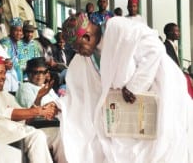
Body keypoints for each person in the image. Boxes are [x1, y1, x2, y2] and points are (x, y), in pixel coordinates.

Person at [61, 12, 193, 163]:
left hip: (162, 96)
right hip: (127, 116)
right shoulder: (87, 56)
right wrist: (61, 105)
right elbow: (79, 88)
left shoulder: (118, 28)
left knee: (162, 149)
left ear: (86, 37)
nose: (78, 53)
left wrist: (134, 86)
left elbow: (154, 49)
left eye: (78, 48)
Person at [0, 55, 56, 163]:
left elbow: (25, 118)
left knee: (55, 134)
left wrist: (38, 99)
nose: (4, 77)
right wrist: (38, 111)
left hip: (12, 135)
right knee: (37, 136)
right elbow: (8, 113)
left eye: (4, 73)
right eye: (0, 73)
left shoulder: (3, 94)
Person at [16, 57, 67, 163]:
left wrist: (56, 107)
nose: (40, 76)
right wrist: (42, 101)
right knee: (62, 135)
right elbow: (33, 113)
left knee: (66, 134)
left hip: (53, 124)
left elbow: (57, 106)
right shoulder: (25, 87)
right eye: (36, 72)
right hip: (36, 127)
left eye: (43, 72)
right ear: (29, 74)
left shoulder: (47, 88)